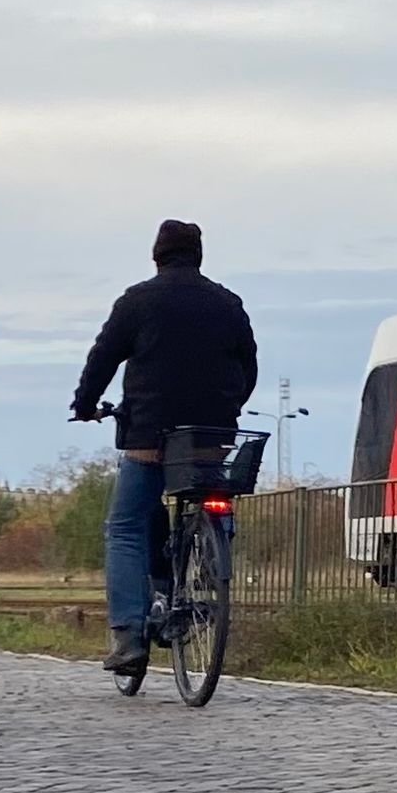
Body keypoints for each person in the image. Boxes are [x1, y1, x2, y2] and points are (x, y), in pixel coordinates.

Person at [70, 218, 257, 687]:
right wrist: (229, 407)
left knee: (126, 527)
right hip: (209, 436)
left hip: (150, 437)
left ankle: (129, 637)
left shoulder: (138, 300)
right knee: (210, 492)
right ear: (199, 256)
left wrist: (85, 404)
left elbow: (103, 357)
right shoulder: (228, 303)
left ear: (157, 256)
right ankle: (211, 559)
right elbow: (248, 365)